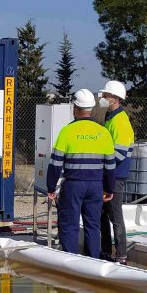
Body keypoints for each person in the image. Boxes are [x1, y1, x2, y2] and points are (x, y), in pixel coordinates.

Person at [46, 89, 116, 258]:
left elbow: (55, 163)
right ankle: (93, 262)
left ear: (75, 108)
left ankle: (71, 263)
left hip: (73, 185)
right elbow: (110, 166)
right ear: (91, 109)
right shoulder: (103, 133)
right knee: (93, 225)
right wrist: (109, 189)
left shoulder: (67, 131)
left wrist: (51, 187)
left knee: (70, 225)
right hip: (96, 185)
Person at [98, 80, 134, 263]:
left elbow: (119, 154)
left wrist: (100, 162)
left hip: (116, 176)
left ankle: (121, 256)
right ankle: (105, 251)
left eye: (105, 95)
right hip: (109, 174)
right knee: (103, 214)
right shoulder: (111, 118)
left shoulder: (120, 121)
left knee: (115, 216)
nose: (103, 98)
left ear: (114, 98)